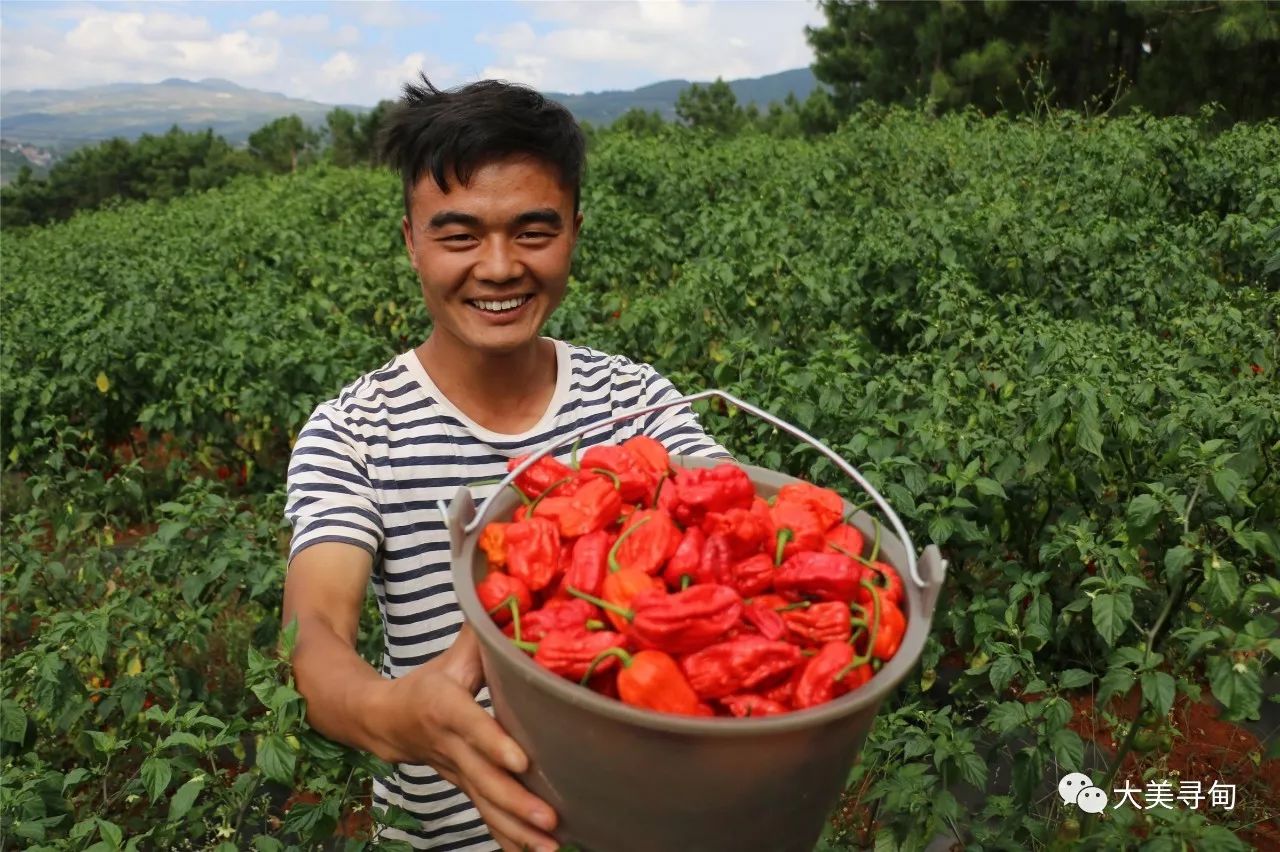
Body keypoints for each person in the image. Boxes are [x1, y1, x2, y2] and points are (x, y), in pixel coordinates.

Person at [281, 75, 729, 852]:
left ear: (575, 233)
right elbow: (313, 631)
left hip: (637, 820)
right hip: (438, 835)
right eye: (458, 236)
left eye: (533, 231)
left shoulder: (636, 404)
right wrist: (389, 714)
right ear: (411, 241)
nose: (497, 267)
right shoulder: (354, 432)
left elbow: (735, 524)